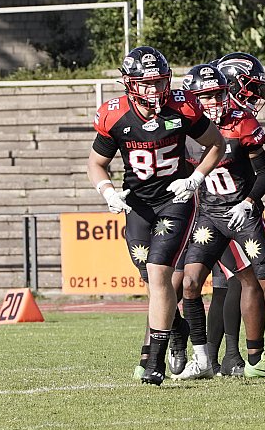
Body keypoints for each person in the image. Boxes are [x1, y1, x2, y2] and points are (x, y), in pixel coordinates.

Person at [89, 46, 225, 386]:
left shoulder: (182, 106)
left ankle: (154, 362)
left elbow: (216, 144)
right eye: (146, 83)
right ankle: (177, 329)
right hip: (138, 205)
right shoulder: (114, 115)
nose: (155, 89)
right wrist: (107, 191)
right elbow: (96, 163)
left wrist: (195, 178)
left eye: (159, 81)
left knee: (159, 272)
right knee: (153, 284)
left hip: (174, 199)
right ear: (129, 83)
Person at [177, 57, 265, 382]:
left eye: (217, 94)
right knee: (189, 284)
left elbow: (262, 173)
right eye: (206, 96)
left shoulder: (242, 123)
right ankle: (202, 359)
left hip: (242, 216)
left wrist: (249, 202)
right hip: (209, 216)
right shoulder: (183, 128)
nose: (214, 101)